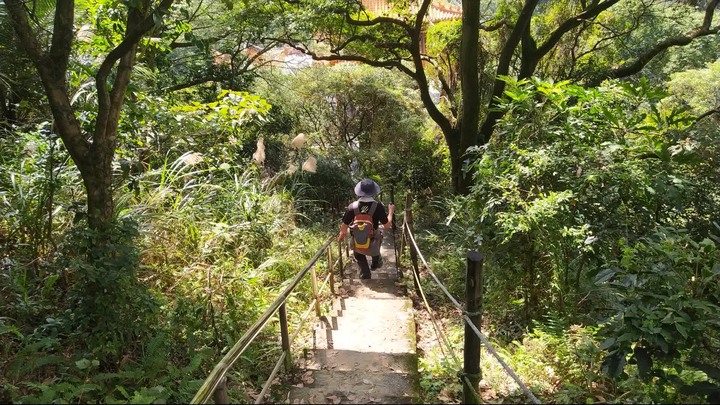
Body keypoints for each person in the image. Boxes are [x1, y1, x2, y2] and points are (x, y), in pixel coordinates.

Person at [338, 179, 395, 279]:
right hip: (373, 238)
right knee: (377, 243)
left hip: (357, 239)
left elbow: (344, 225)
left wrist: (342, 234)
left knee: (358, 254)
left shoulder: (352, 207)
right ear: (373, 192)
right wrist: (391, 212)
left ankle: (365, 273)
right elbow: (387, 225)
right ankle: (375, 262)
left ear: (359, 191)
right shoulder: (377, 206)